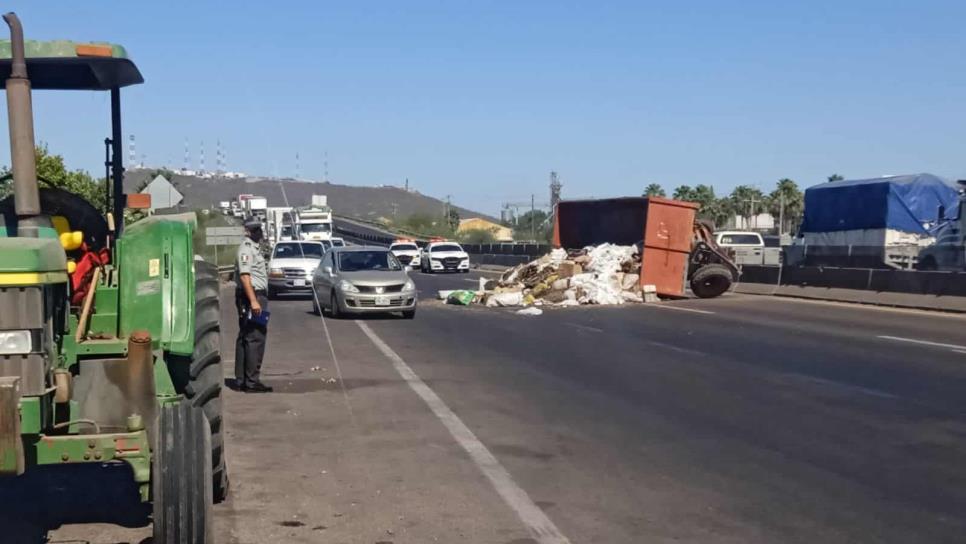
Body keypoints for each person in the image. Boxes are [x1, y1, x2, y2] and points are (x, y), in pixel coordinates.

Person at [234, 219, 273, 393]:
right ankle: (251, 381)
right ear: (248, 231)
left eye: (260, 229)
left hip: (254, 295)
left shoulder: (254, 248)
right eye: (256, 229)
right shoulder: (246, 249)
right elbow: (244, 276)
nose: (260, 232)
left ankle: (242, 379)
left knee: (246, 336)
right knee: (255, 337)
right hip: (252, 296)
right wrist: (254, 301)